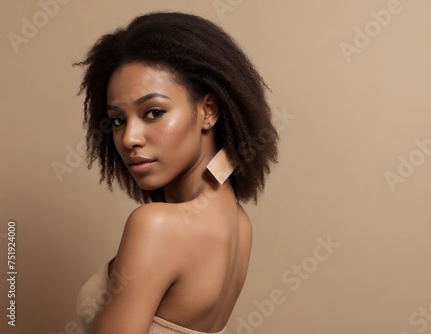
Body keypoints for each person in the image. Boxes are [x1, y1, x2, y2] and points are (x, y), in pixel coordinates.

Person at [74, 11, 278, 334]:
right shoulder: (239, 223)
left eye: (153, 112)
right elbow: (223, 168)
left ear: (208, 111)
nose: (129, 138)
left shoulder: (155, 226)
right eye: (118, 120)